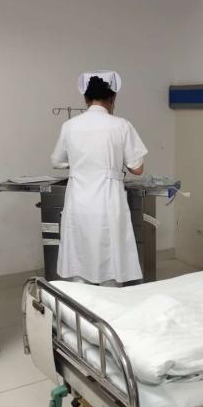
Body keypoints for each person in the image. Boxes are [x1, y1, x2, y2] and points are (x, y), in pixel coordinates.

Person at [51, 72, 148, 286]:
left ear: (86, 99)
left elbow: (56, 161)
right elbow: (138, 168)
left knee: (79, 259)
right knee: (111, 263)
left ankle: (79, 304)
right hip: (108, 202)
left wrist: (80, 164)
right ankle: (109, 302)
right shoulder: (121, 125)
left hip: (79, 202)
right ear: (112, 98)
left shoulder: (70, 126)